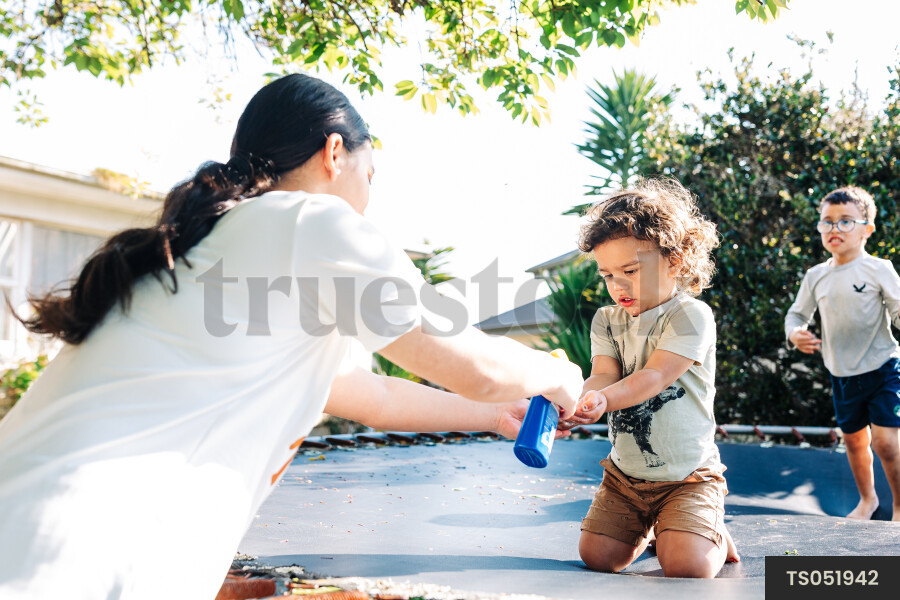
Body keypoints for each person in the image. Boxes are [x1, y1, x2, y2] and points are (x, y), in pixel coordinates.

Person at [0, 73, 584, 600]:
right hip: (79, 554)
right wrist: (554, 373)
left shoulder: (211, 244)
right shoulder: (311, 222)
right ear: (335, 153)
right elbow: (470, 363)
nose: (370, 195)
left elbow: (369, 395)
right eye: (370, 174)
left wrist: (493, 416)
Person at [559, 178, 738, 578]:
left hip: (688, 476)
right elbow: (603, 375)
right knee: (598, 557)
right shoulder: (607, 320)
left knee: (687, 567)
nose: (617, 284)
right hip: (626, 477)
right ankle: (661, 526)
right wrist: (578, 401)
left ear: (674, 261)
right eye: (606, 274)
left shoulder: (690, 315)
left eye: (630, 270)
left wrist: (605, 401)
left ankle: (706, 527)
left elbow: (654, 376)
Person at [785, 186, 900, 521]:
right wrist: (795, 334)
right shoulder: (816, 276)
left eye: (846, 221)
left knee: (887, 444)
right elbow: (796, 315)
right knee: (853, 443)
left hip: (883, 367)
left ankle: (898, 508)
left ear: (867, 229)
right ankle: (868, 501)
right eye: (827, 222)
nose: (834, 229)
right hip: (842, 374)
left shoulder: (879, 269)